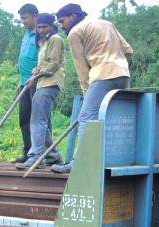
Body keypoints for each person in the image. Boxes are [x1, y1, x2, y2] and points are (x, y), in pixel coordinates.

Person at [51, 3, 132, 173]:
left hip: (102, 75)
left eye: (63, 21)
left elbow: (82, 69)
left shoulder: (75, 33)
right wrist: (121, 68)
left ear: (73, 16)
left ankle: (79, 163)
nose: (61, 25)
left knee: (86, 117)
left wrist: (86, 93)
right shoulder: (106, 23)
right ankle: (105, 160)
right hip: (123, 74)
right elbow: (128, 51)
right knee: (111, 119)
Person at [16, 13, 66, 170]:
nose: (41, 29)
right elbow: (44, 62)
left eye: (45, 27)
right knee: (38, 119)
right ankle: (52, 156)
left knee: (38, 120)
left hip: (51, 82)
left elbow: (54, 64)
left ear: (52, 26)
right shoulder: (43, 41)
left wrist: (38, 74)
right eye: (39, 27)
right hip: (42, 82)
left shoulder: (55, 39)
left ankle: (35, 156)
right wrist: (37, 69)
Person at [14, 4, 40, 163]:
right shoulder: (25, 34)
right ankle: (28, 151)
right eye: (21, 18)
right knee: (24, 118)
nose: (23, 21)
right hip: (24, 82)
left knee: (38, 119)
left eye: (25, 18)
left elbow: (43, 59)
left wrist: (34, 78)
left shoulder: (42, 33)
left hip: (36, 82)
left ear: (35, 16)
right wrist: (20, 82)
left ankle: (41, 154)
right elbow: (24, 59)